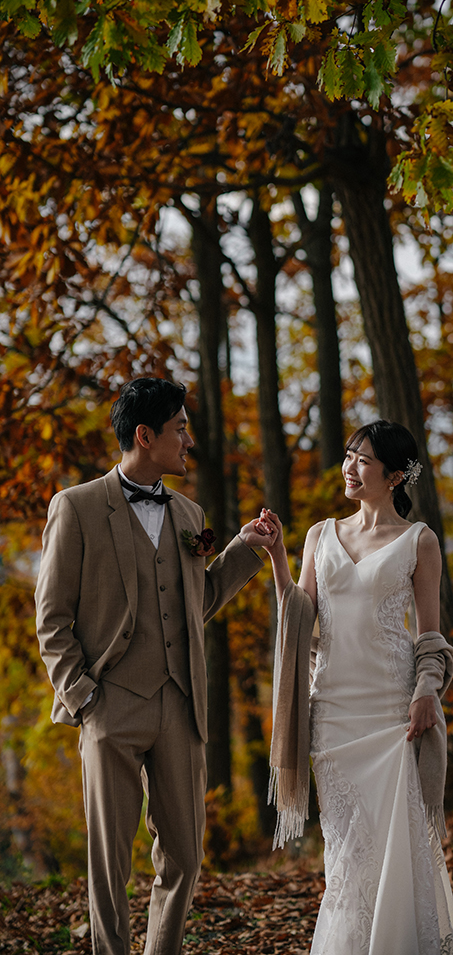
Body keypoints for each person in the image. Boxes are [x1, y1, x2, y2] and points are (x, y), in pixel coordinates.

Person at [35, 377, 275, 955]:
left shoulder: (190, 513)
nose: (188, 440)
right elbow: (51, 618)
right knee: (109, 864)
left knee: (186, 858)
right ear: (145, 436)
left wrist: (244, 547)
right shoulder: (76, 506)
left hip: (180, 705)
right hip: (109, 703)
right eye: (180, 429)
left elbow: (199, 601)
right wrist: (84, 697)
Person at [261, 420, 453, 955]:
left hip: (392, 715)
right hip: (331, 713)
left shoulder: (418, 542)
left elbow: (430, 635)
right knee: (346, 854)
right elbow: (300, 618)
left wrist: (427, 692)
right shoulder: (319, 535)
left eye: (363, 461)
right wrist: (277, 557)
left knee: (396, 848)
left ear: (395, 475)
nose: (350, 468)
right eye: (349, 456)